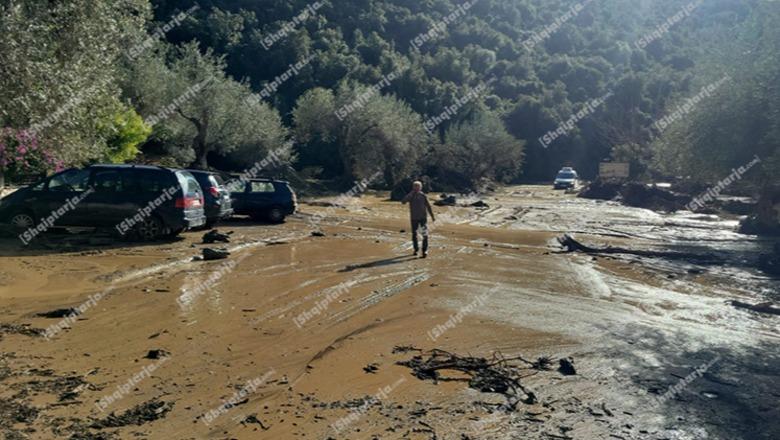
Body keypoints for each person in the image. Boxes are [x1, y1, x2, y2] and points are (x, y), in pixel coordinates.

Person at [401, 181, 435, 258]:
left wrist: (432, 216)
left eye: (418, 186)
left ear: (421, 187)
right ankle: (416, 249)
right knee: (414, 235)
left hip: (423, 218)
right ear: (413, 187)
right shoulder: (411, 195)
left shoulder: (423, 196)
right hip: (414, 218)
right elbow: (403, 202)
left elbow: (428, 206)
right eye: (415, 186)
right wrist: (410, 194)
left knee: (425, 234)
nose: (416, 188)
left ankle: (424, 250)